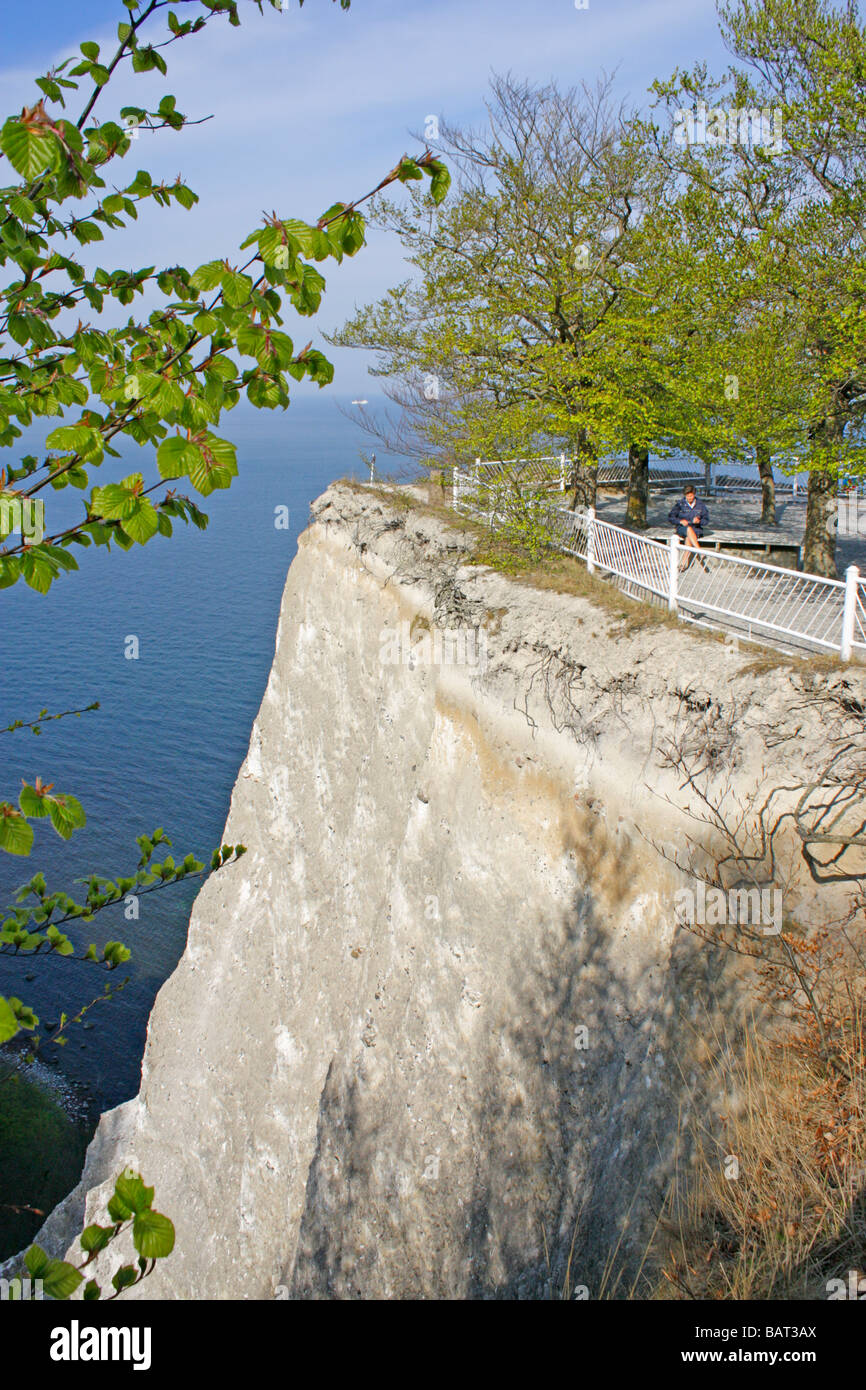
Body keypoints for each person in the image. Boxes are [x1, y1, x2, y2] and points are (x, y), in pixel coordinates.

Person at [668, 485, 710, 570]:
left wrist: (699, 521)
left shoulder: (700, 505)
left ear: (694, 495)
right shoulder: (680, 504)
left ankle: (683, 564)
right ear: (685, 495)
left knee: (689, 538)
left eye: (691, 496)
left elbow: (706, 520)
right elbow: (671, 517)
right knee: (688, 529)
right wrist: (680, 521)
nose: (689, 498)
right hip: (682, 528)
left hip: (696, 529)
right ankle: (700, 551)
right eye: (687, 496)